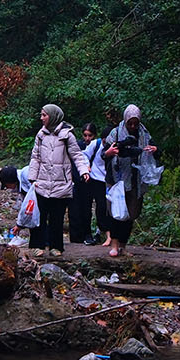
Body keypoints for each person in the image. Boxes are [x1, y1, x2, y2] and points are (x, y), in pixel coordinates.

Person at [26, 104, 92, 254]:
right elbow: (35, 157)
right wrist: (32, 177)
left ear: (53, 116)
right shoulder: (40, 135)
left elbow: (77, 155)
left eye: (44, 115)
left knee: (57, 217)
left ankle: (56, 247)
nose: (41, 118)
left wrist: (83, 172)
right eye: (41, 115)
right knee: (40, 215)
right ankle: (38, 246)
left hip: (61, 183)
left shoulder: (67, 135)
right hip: (42, 182)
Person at [101, 105, 159, 257]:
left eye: (135, 123)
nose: (133, 126)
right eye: (130, 123)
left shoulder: (144, 134)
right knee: (116, 212)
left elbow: (155, 150)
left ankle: (123, 246)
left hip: (136, 180)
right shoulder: (116, 133)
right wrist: (110, 152)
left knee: (130, 213)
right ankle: (113, 244)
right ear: (125, 121)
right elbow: (104, 154)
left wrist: (154, 150)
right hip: (116, 179)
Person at [71, 122, 106, 247]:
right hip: (82, 182)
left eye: (90, 135)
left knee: (100, 207)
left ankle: (98, 232)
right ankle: (86, 234)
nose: (87, 138)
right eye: (85, 135)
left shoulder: (97, 145)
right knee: (84, 209)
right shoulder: (78, 146)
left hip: (96, 180)